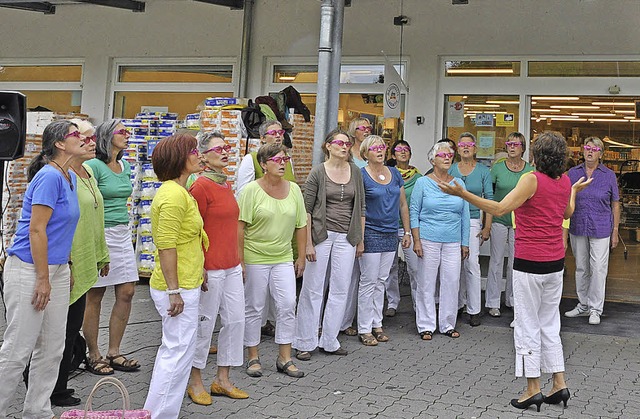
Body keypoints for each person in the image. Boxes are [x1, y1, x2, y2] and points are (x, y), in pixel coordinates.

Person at [440, 131, 591, 412]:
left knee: (526, 324)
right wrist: (572, 191)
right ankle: (559, 382)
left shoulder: (531, 179)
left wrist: (463, 193)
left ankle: (533, 388)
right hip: (555, 264)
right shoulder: (565, 180)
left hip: (529, 262)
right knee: (549, 323)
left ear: (537, 156)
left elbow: (499, 208)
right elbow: (567, 213)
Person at [0, 120, 83, 418]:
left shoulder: (69, 175)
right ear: (60, 144)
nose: (85, 139)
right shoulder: (49, 176)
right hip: (29, 269)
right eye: (77, 135)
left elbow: (64, 228)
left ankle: (37, 411)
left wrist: (66, 265)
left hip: (56, 268)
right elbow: (37, 230)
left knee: (52, 348)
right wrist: (44, 278)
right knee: (18, 349)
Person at [143, 134, 208, 418]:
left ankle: (162, 412)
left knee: (178, 353)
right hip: (176, 287)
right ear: (178, 159)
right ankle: (157, 414)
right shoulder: (172, 196)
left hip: (185, 282)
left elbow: (188, 238)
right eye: (193, 151)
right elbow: (167, 245)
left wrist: (199, 270)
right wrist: (174, 290)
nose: (199, 154)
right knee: (177, 354)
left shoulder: (180, 191)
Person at [50, 119, 110, 407]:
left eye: (92, 137)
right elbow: (54, 224)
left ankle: (58, 385)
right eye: (84, 137)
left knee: (71, 327)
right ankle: (50, 387)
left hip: (85, 258)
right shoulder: (58, 176)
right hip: (67, 261)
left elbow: (95, 219)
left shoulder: (87, 173)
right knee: (58, 330)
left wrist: (102, 254)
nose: (91, 142)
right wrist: (68, 262)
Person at [186, 132, 247, 406]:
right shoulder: (200, 186)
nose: (225, 152)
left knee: (235, 321)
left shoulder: (225, 184)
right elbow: (193, 231)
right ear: (203, 156)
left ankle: (222, 378)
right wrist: (199, 265)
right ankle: (195, 380)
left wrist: (240, 260)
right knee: (205, 323)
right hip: (210, 266)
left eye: (227, 147)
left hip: (231, 264)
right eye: (219, 149)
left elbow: (232, 226)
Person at [293, 129, 365, 360]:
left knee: (340, 288)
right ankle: (304, 341)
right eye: (339, 143)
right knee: (313, 288)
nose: (344, 147)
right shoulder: (318, 172)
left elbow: (361, 208)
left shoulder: (355, 171)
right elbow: (306, 210)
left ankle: (330, 340)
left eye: (347, 143)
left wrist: (359, 239)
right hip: (321, 236)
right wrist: (308, 244)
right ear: (328, 146)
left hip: (347, 237)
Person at [239, 143, 307, 378]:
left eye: (285, 159)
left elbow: (301, 224)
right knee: (255, 306)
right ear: (263, 164)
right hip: (255, 256)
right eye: (277, 159)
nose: (282, 163)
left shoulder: (295, 190)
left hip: (283, 257)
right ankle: (253, 356)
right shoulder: (250, 190)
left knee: (288, 303)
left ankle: (284, 357)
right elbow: (240, 227)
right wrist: (240, 260)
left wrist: (300, 255)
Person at [83, 120, 140, 374]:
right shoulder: (93, 166)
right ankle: (93, 353)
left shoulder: (125, 165)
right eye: (122, 132)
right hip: (101, 233)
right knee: (95, 294)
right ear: (107, 137)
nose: (127, 135)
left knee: (127, 291)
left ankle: (114, 351)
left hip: (122, 232)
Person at [236, 119, 295, 337]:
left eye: (281, 132)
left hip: (282, 235)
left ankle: (269, 322)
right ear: (262, 138)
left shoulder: (288, 161)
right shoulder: (250, 161)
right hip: (258, 234)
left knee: (281, 293)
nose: (279, 135)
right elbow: (242, 195)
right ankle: (252, 330)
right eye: (273, 133)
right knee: (255, 293)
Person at [410, 142, 469, 340]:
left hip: (453, 240)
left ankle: (447, 323)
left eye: (450, 154)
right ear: (432, 159)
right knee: (426, 283)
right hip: (428, 239)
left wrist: (465, 242)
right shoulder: (422, 183)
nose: (447, 157)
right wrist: (416, 240)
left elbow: (465, 215)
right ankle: (426, 325)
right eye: (442, 154)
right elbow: (414, 212)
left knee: (451, 282)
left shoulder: (459, 184)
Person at [357, 135, 410, 346]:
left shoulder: (395, 173)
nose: (379, 150)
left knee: (382, 280)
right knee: (368, 281)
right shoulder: (361, 175)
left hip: (390, 233)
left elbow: (403, 205)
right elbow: (359, 208)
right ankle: (364, 327)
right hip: (370, 231)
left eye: (382, 146)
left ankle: (377, 324)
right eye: (374, 148)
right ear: (365, 153)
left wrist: (406, 232)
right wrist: (359, 238)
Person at [564, 136, 620, 325]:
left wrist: (615, 230)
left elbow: (615, 203)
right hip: (578, 224)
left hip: (601, 227)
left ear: (601, 154)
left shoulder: (609, 175)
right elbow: (564, 199)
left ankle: (596, 308)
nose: (590, 151)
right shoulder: (572, 173)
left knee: (598, 269)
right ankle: (583, 304)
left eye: (595, 149)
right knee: (581, 267)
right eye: (587, 147)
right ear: (582, 151)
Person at [485, 132, 534, 318]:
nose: (512, 147)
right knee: (496, 261)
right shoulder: (497, 168)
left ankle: (513, 300)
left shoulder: (530, 170)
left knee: (515, 262)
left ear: (523, 148)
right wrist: (487, 224)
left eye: (516, 144)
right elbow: (489, 196)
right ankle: (492, 302)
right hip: (499, 218)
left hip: (520, 222)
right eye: (509, 144)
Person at [449, 132, 492, 327]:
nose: (466, 147)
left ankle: (474, 309)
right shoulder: (450, 169)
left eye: (469, 144)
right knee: (454, 264)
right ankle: (457, 304)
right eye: (462, 144)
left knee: (472, 265)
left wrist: (487, 226)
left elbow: (489, 200)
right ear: (457, 149)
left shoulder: (483, 171)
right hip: (453, 220)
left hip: (474, 220)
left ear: (475, 148)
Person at [384, 140, 422, 316]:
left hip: (410, 228)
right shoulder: (388, 174)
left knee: (414, 268)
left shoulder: (419, 177)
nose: (403, 152)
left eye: (406, 149)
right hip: (391, 226)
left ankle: (418, 304)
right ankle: (392, 302)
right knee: (390, 267)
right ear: (392, 155)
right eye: (399, 150)